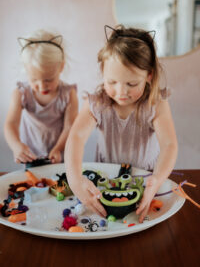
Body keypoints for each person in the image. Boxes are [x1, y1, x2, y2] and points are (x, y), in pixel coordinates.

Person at [65, 25, 178, 222]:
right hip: (106, 185)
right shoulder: (97, 102)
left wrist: (157, 180)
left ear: (149, 75)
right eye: (112, 82)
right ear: (103, 71)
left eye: (132, 84)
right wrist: (74, 178)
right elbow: (76, 137)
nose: (121, 92)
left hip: (145, 183)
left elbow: (169, 145)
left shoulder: (156, 103)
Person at [4, 30, 78, 165]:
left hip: (60, 155)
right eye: (34, 80)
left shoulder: (68, 94)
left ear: (61, 67)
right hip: (31, 156)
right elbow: (11, 123)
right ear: (26, 71)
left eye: (49, 79)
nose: (42, 86)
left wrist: (58, 148)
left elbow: (70, 127)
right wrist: (16, 146)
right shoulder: (21, 93)